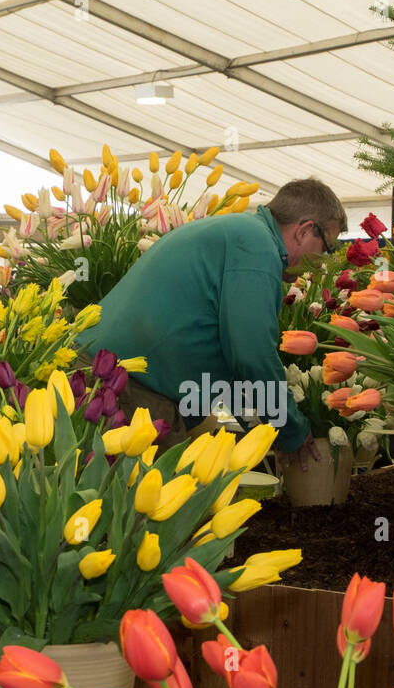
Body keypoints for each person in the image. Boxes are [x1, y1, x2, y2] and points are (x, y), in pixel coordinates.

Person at [80, 177, 346, 470]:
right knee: (151, 495)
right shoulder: (257, 247)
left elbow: (232, 362)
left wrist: (270, 431)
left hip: (102, 376)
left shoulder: (241, 232)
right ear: (304, 230)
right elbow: (251, 355)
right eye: (327, 248)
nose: (322, 262)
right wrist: (292, 431)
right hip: (127, 389)